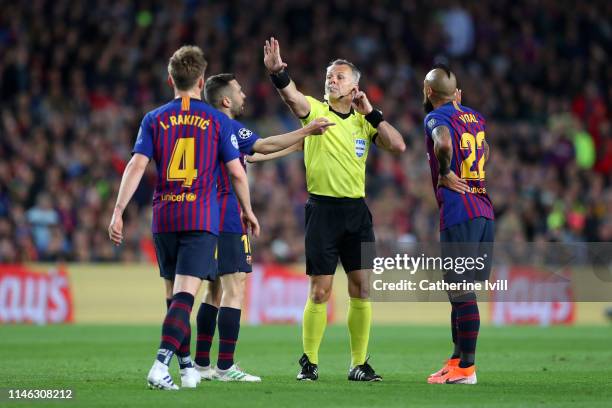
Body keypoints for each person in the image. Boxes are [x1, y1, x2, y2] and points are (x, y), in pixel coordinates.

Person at [107, 46, 260, 390]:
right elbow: (236, 172)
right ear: (202, 80)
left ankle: (188, 366)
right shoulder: (217, 120)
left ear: (170, 80)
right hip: (199, 217)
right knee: (186, 296)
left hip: (164, 216)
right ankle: (161, 365)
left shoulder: (154, 118)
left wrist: (118, 211)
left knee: (173, 296)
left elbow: (136, 165)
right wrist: (247, 210)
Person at [263, 37, 406, 382]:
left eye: (339, 76)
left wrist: (371, 112)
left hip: (356, 212)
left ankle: (359, 363)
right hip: (322, 211)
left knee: (361, 288)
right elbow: (293, 98)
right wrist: (279, 74)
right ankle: (309, 362)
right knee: (320, 290)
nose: (332, 80)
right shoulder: (317, 110)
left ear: (355, 85)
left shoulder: (363, 121)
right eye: (330, 76)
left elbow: (398, 144)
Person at [193, 73, 333, 382]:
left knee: (213, 288)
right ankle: (226, 366)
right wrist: (307, 129)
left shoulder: (206, 126)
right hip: (227, 214)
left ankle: (201, 364)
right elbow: (263, 144)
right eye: (239, 91)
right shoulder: (228, 124)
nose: (244, 95)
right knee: (234, 286)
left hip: (204, 215)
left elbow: (252, 157)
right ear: (226, 100)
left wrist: (297, 144)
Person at [422, 64, 494, 385]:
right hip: (483, 208)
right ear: (458, 94)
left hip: (459, 211)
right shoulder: (475, 116)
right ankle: (455, 361)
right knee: (458, 290)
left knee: (461, 289)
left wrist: (446, 170)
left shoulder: (436, 117)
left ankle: (467, 368)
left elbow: (444, 143)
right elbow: (485, 150)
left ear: (428, 92)